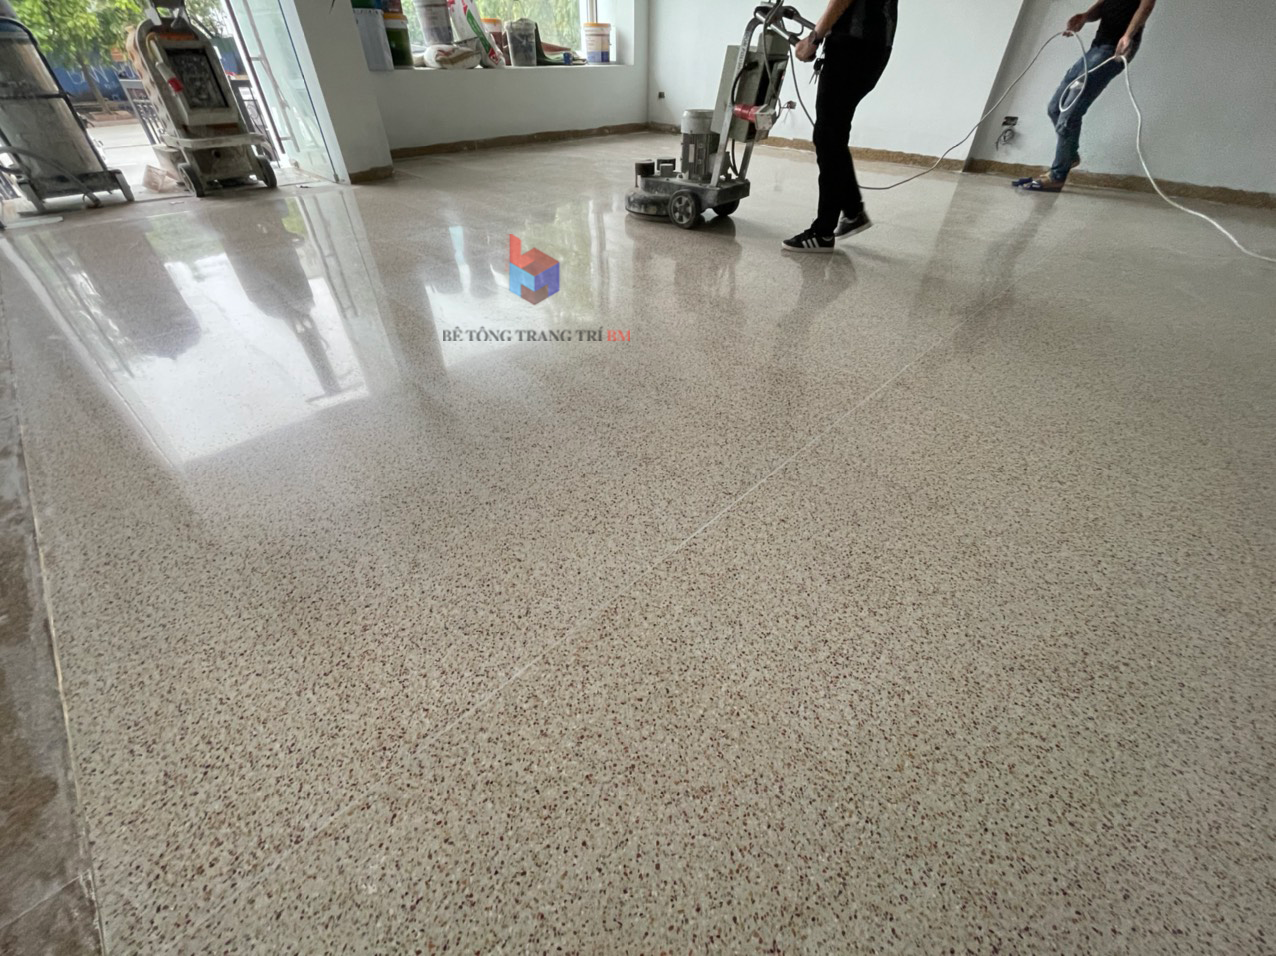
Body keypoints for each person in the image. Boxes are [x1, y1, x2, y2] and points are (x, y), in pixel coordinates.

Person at [782, 0, 898, 253]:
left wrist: (814, 38)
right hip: (875, 46)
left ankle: (823, 231)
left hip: (852, 46)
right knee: (832, 135)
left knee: (828, 136)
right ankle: (853, 210)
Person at [1016, 0, 1157, 192]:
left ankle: (1057, 176)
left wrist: (1128, 35)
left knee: (1070, 114)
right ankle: (1070, 156)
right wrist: (1084, 17)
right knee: (1055, 108)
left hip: (1114, 49)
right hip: (1097, 47)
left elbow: (1145, 7)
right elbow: (1103, 5)